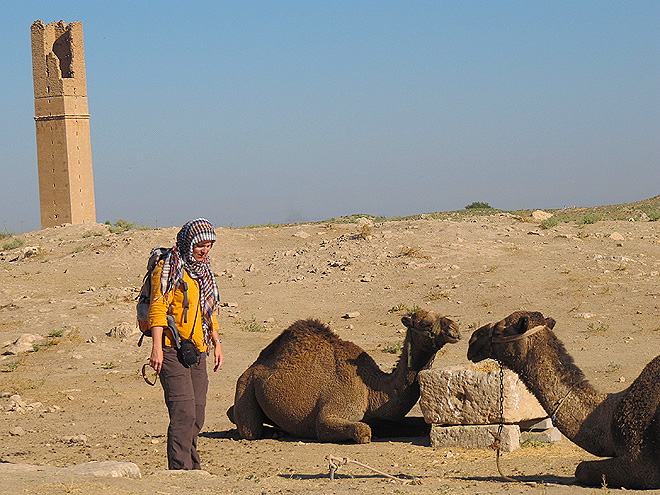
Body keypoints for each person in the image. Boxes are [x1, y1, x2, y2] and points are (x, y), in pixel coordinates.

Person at [148, 218, 224, 470]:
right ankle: (180, 472)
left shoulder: (203, 271)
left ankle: (193, 468)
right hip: (171, 349)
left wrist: (216, 342)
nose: (205, 250)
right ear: (188, 242)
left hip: (198, 350)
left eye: (209, 246)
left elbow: (208, 310)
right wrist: (156, 348)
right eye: (200, 245)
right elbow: (158, 307)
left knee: (198, 413)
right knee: (183, 412)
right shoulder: (169, 267)